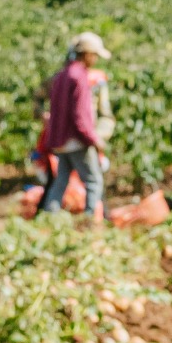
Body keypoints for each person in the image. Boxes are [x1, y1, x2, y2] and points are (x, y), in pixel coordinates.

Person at [37, 31, 114, 217]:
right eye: (94, 55)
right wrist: (93, 139)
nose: (95, 60)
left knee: (60, 180)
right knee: (94, 181)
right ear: (87, 54)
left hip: (61, 141)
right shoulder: (79, 77)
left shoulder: (62, 75)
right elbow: (80, 116)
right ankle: (90, 222)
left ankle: (49, 217)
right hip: (77, 140)